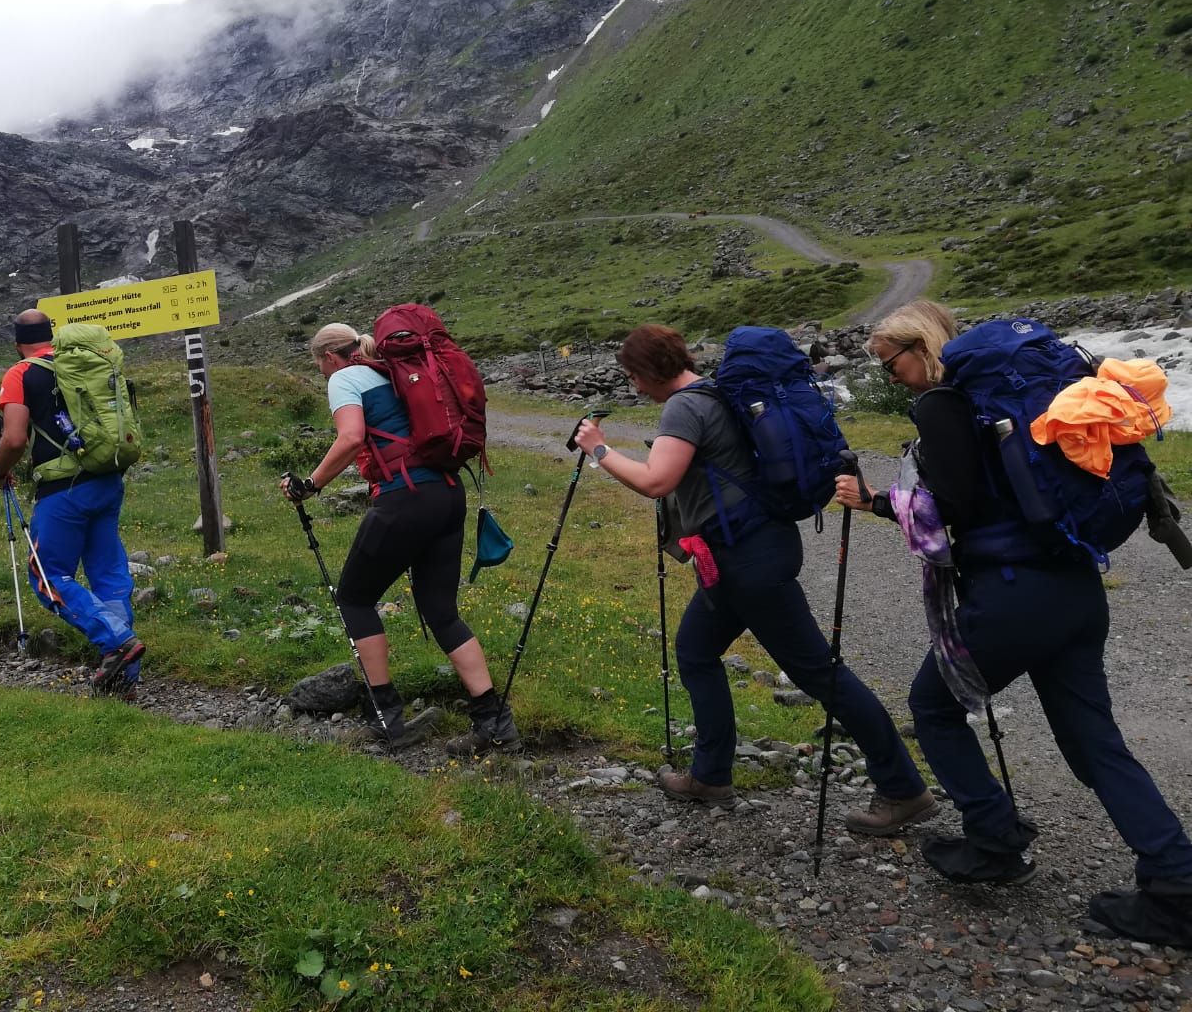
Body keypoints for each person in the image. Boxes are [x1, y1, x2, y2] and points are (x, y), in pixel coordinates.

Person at [836, 300, 1192, 945]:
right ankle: (1176, 884)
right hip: (1077, 588)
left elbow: (952, 507)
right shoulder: (1021, 397)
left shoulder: (947, 405)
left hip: (1010, 594)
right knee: (1094, 741)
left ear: (921, 348)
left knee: (935, 708)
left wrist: (876, 500)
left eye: (891, 365)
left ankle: (994, 840)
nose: (892, 379)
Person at [573, 324, 937, 834]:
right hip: (748, 552)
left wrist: (598, 449)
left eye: (634, 376)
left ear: (650, 370)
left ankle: (904, 789)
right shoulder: (720, 392)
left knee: (819, 673)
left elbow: (657, 481)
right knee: (696, 650)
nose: (634, 388)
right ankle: (710, 775)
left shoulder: (684, 406)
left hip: (747, 561)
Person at [281, 322, 520, 755]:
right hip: (447, 494)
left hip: (404, 498)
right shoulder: (390, 371)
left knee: (353, 599)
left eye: (319, 366)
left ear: (329, 358)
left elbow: (352, 437)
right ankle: (495, 723)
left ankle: (387, 718)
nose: (323, 374)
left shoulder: (344, 377)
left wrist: (310, 485)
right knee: (441, 611)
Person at [0, 310, 144, 694]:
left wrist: (0, 472)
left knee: (47, 575)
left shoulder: (21, 373)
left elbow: (13, 440)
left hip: (64, 490)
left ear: (17, 342)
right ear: (52, 336)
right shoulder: (84, 364)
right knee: (107, 573)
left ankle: (116, 643)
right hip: (107, 480)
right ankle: (122, 678)